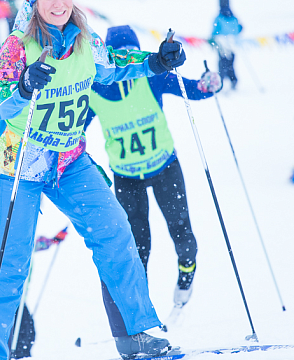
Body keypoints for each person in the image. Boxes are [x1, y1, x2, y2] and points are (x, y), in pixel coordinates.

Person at [0, 0, 184, 360]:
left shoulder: (86, 41)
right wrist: (24, 87)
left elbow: (116, 66)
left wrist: (157, 62)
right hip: (16, 163)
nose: (59, 4)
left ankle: (139, 332)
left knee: (115, 231)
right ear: (33, 2)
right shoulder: (18, 46)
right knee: (10, 260)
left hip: (68, 160)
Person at [84, 25, 222, 307]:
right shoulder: (98, 89)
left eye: (130, 53)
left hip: (162, 168)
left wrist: (209, 84)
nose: (126, 57)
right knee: (139, 245)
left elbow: (194, 90)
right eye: (119, 55)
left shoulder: (145, 78)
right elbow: (73, 132)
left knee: (176, 232)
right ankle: (142, 304)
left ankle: (183, 276)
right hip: (128, 177)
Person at [210, 0, 242, 90]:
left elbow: (215, 31)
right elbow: (237, 30)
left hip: (222, 43)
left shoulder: (219, 17)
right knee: (230, 64)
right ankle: (233, 80)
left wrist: (212, 39)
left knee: (222, 64)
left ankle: (221, 82)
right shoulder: (233, 17)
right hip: (232, 44)